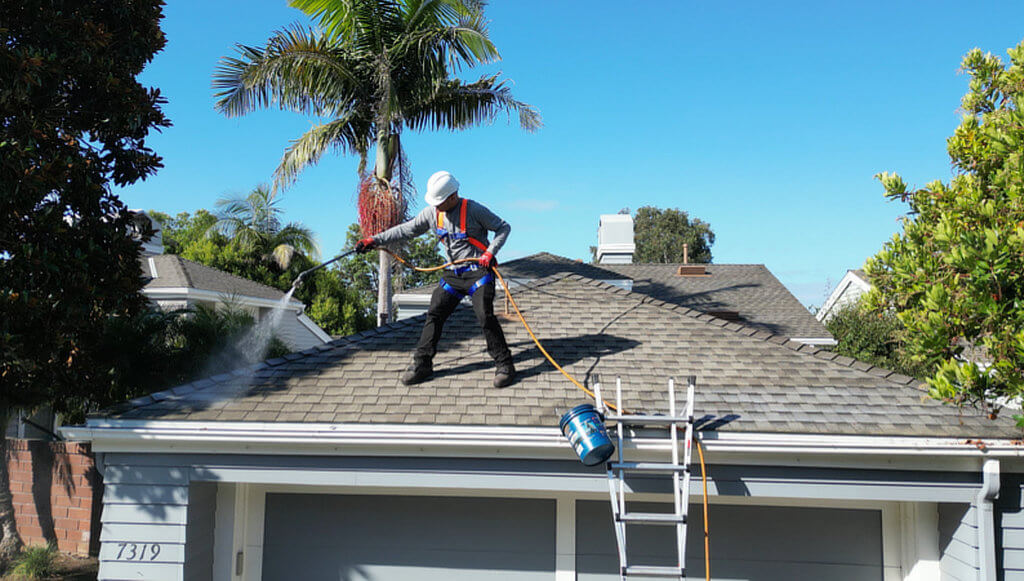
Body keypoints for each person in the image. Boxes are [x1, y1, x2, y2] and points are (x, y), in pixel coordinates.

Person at [356, 170, 516, 387]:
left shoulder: (474, 210)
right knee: (435, 314)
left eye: (440, 202)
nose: (437, 206)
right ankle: (422, 364)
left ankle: (505, 365)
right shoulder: (432, 214)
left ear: (453, 196)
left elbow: (503, 227)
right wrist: (374, 240)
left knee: (485, 316)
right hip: (454, 275)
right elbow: (407, 229)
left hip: (478, 272)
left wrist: (490, 253)